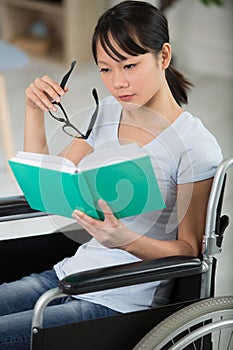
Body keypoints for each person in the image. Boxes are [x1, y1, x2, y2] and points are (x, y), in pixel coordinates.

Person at [0, 1, 223, 349]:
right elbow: (46, 188)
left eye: (130, 65)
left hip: (119, 301)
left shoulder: (194, 146)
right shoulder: (106, 112)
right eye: (105, 69)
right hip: (72, 274)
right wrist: (33, 113)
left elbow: (189, 252)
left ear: (163, 57)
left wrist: (124, 240)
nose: (117, 82)